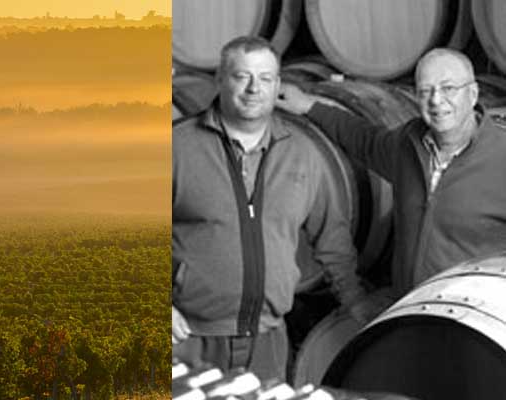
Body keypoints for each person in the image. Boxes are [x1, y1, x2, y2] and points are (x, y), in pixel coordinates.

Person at [172, 36, 375, 382]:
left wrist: (355, 301)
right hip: (187, 337)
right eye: (242, 76)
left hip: (268, 340)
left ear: (278, 84)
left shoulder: (301, 153)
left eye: (265, 78)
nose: (254, 89)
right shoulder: (177, 147)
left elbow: (332, 237)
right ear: (220, 79)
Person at [276, 48, 506, 298]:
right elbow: (363, 139)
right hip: (409, 313)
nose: (436, 101)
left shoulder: (501, 160)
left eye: (448, 88)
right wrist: (308, 105)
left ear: (472, 94)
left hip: (470, 320)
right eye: (425, 91)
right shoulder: (408, 144)